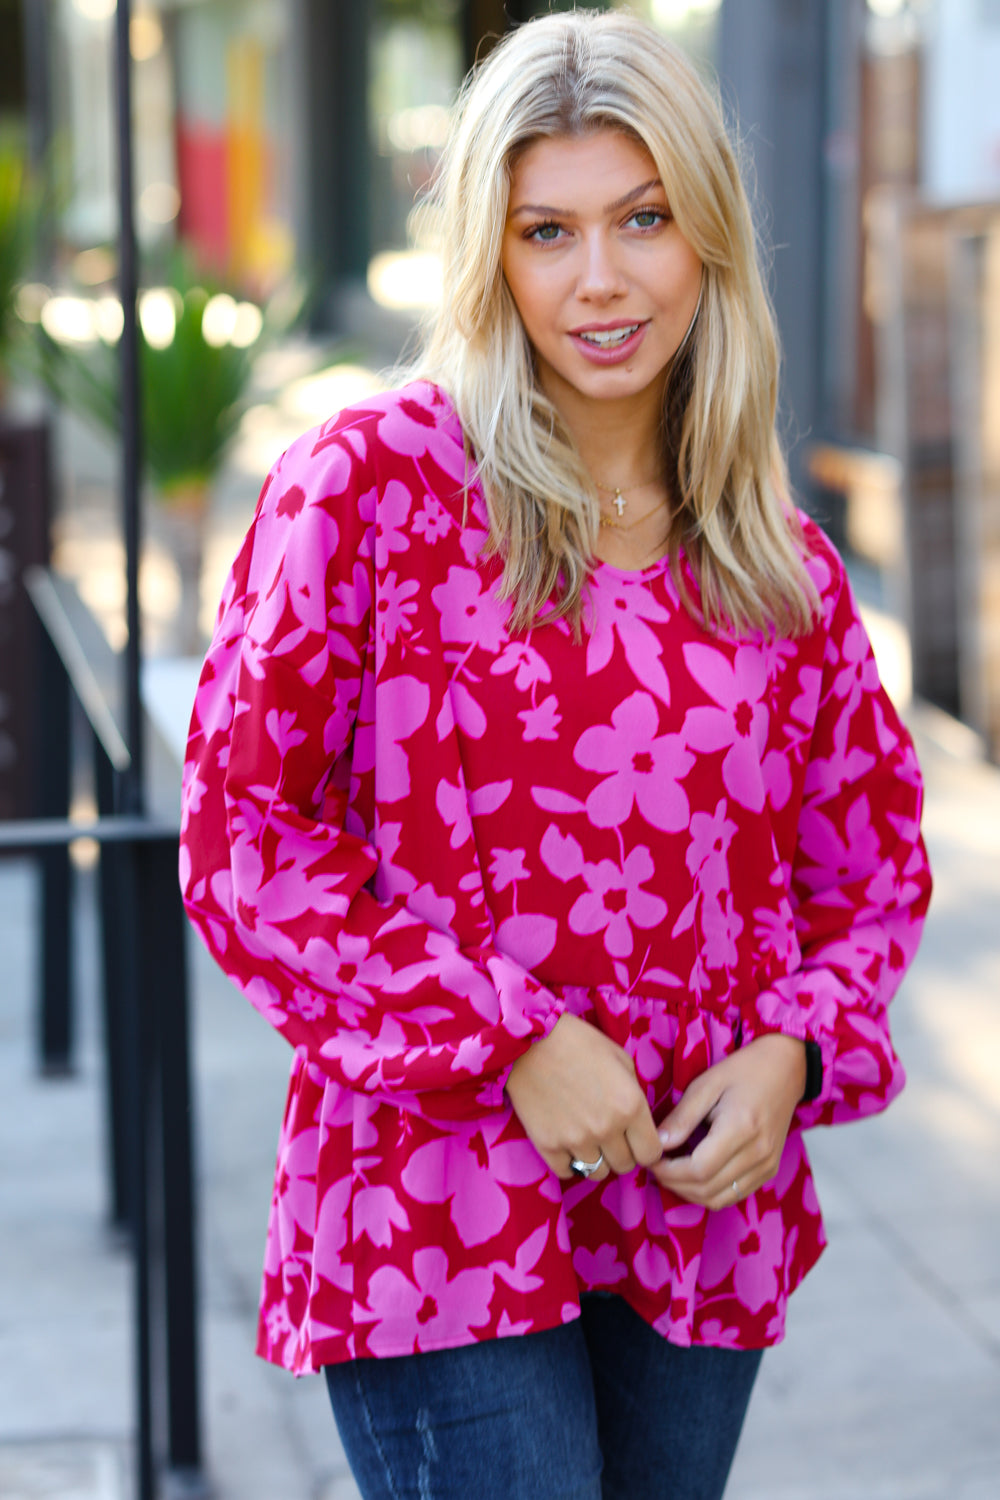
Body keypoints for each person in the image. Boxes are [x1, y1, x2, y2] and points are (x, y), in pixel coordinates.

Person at [179, 11, 931, 1498]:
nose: (601, 280)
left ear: (707, 231)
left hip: (694, 1216)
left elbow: (875, 871)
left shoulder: (776, 566)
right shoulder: (369, 492)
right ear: (491, 253)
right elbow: (246, 845)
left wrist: (791, 1051)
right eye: (547, 230)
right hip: (435, 1205)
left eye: (643, 219)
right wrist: (509, 1040)